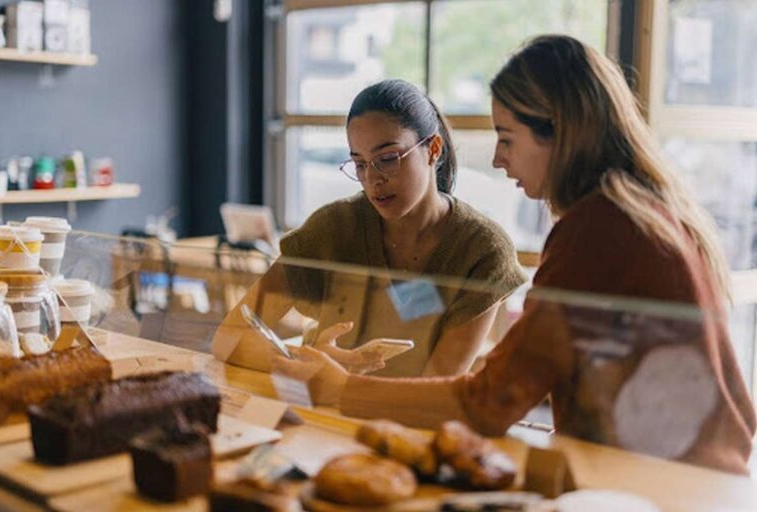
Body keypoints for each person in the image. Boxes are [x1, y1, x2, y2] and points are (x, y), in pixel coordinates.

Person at [273, 35, 756, 475]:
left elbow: (491, 401)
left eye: (506, 138)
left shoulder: (596, 229)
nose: (499, 160)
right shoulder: (645, 209)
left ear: (559, 132)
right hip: (696, 478)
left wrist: (339, 387)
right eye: (360, 164)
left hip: (661, 486)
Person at [212, 79, 527, 378]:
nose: (373, 180)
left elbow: (434, 388)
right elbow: (229, 338)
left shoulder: (483, 250)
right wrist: (306, 362)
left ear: (433, 149)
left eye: (387, 159)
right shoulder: (334, 229)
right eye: (359, 164)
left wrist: (338, 381)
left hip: (409, 428)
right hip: (320, 419)